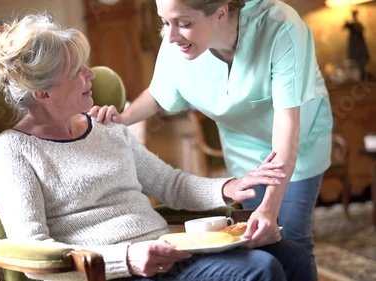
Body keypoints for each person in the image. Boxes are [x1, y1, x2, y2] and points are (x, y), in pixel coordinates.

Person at [0, 13, 314, 281]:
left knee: (290, 255)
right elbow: (33, 252)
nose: (91, 75)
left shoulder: (105, 128)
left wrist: (230, 187)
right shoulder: (13, 151)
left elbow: (171, 185)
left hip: (167, 254)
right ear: (42, 94)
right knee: (260, 270)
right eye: (76, 72)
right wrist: (126, 258)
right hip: (111, 273)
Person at [89, 0, 333, 279]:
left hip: (298, 144)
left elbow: (287, 128)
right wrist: (120, 119)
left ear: (220, 13)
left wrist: (269, 209)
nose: (170, 37)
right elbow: (158, 94)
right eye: (164, 22)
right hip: (244, 150)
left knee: (291, 234)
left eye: (185, 24)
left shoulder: (281, 27)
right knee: (264, 242)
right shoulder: (177, 38)